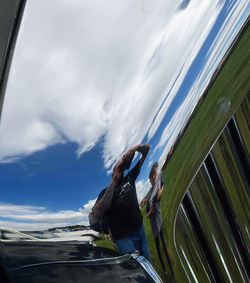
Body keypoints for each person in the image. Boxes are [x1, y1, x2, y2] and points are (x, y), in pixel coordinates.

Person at [89, 144, 151, 261]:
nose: (120, 163)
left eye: (121, 163)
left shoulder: (130, 177)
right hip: (124, 238)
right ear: (112, 172)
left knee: (147, 261)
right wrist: (114, 182)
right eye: (117, 164)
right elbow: (96, 215)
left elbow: (146, 150)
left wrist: (134, 149)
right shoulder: (105, 192)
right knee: (135, 268)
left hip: (139, 228)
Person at [146, 162, 173, 275]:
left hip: (157, 217)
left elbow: (162, 187)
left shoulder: (158, 182)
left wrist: (161, 190)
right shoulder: (151, 190)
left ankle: (170, 269)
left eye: (153, 177)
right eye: (151, 178)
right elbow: (148, 211)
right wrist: (149, 210)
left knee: (163, 243)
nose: (151, 180)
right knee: (158, 246)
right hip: (153, 221)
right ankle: (165, 268)